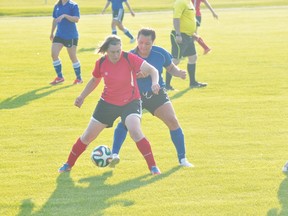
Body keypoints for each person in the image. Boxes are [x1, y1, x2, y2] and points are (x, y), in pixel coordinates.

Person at [58, 35, 161, 175]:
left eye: (118, 50)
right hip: (107, 103)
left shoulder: (128, 58)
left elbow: (152, 70)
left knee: (135, 130)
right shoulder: (101, 63)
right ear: (106, 51)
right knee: (87, 136)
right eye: (113, 52)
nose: (116, 54)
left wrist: (155, 82)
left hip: (131, 102)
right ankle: (68, 164)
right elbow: (94, 81)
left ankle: (153, 167)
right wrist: (82, 96)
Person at [109, 28, 193, 169]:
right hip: (135, 97)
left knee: (173, 121)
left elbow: (171, 68)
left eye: (147, 43)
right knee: (124, 123)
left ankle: (182, 159)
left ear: (153, 42)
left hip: (156, 94)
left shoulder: (160, 53)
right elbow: (120, 77)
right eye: (140, 42)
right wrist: (135, 76)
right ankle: (114, 155)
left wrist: (179, 73)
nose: (143, 46)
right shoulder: (129, 56)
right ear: (137, 40)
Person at [166, 0, 207, 90]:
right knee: (175, 60)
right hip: (181, 36)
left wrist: (193, 34)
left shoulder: (189, 2)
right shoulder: (180, 2)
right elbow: (176, 18)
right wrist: (178, 34)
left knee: (193, 57)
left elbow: (189, 19)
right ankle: (166, 85)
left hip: (189, 36)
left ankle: (193, 83)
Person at [50, 0, 83, 85]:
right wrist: (52, 33)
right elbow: (55, 20)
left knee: (72, 57)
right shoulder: (57, 5)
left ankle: (79, 78)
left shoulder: (73, 5)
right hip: (59, 35)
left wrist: (65, 16)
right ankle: (60, 77)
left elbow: (76, 19)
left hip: (71, 35)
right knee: (54, 54)